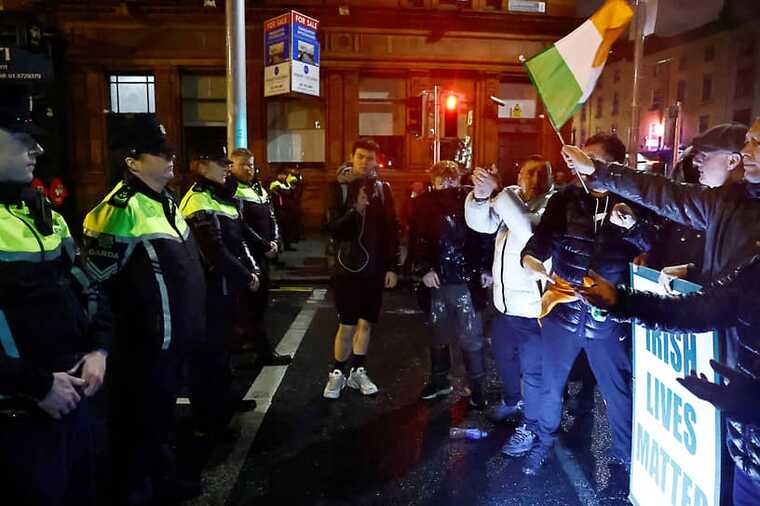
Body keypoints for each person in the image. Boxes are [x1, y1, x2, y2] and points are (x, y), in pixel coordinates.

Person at [82, 114, 207, 505]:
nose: (170, 159)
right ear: (133, 161)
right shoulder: (118, 209)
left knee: (161, 421)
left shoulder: (165, 200)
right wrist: (102, 346)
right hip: (144, 348)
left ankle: (163, 481)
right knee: (137, 428)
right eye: (158, 153)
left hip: (173, 342)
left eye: (169, 151)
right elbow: (93, 285)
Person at [520, 133, 659, 475]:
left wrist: (635, 227)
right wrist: (531, 258)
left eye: (592, 159)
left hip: (607, 314)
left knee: (618, 392)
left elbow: (655, 247)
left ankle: (625, 458)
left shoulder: (634, 199)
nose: (583, 166)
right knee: (551, 386)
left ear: (615, 165)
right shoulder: (566, 198)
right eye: (581, 158)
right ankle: (543, 441)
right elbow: (544, 238)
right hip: (563, 310)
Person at [0, 92, 111, 506]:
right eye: (21, 137)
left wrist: (99, 347)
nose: (38, 149)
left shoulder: (44, 214)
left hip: (75, 399)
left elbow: (89, 285)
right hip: (20, 416)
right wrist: (38, 385)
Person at [578, 257, 760, 506]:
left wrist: (754, 404)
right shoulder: (755, 271)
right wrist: (622, 301)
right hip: (747, 459)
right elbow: (697, 310)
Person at [465, 156, 554, 447]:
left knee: (533, 371)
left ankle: (531, 426)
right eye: (529, 172)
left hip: (534, 310)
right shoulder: (511, 199)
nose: (534, 178)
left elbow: (528, 229)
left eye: (541, 173)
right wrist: (481, 195)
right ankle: (514, 401)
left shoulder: (551, 205)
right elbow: (482, 225)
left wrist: (497, 192)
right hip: (506, 307)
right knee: (503, 355)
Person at [409, 161, 491, 408]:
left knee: (471, 337)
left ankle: (476, 387)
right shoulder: (423, 204)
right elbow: (418, 238)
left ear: (458, 179)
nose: (446, 185)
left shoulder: (472, 199)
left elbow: (486, 234)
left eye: (450, 179)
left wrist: (486, 268)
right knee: (438, 334)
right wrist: (423, 268)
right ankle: (440, 380)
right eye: (440, 180)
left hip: (467, 280)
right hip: (438, 281)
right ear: (433, 182)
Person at [323, 139, 400, 399]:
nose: (365, 162)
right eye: (360, 157)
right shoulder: (338, 188)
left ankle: (357, 369)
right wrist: (355, 210)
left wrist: (392, 266)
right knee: (346, 325)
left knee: (366, 323)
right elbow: (333, 229)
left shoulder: (383, 188)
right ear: (352, 157)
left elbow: (392, 228)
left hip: (375, 268)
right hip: (347, 267)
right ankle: (337, 373)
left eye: (370, 158)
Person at [230, 149, 292, 365]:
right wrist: (265, 245)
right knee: (251, 305)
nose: (249, 168)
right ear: (232, 167)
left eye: (251, 164)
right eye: (243, 164)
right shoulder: (233, 191)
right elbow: (242, 227)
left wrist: (275, 241)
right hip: (247, 256)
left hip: (263, 254)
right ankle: (262, 353)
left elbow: (272, 217)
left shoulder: (259, 189)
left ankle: (248, 342)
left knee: (259, 304)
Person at [270, 169, 297, 251]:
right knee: (279, 230)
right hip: (279, 209)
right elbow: (285, 193)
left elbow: (292, 193)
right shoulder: (274, 184)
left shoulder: (286, 183)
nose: (283, 176)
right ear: (277, 175)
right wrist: (290, 190)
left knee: (287, 229)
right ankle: (278, 248)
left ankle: (287, 245)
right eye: (281, 174)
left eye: (284, 174)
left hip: (287, 209)